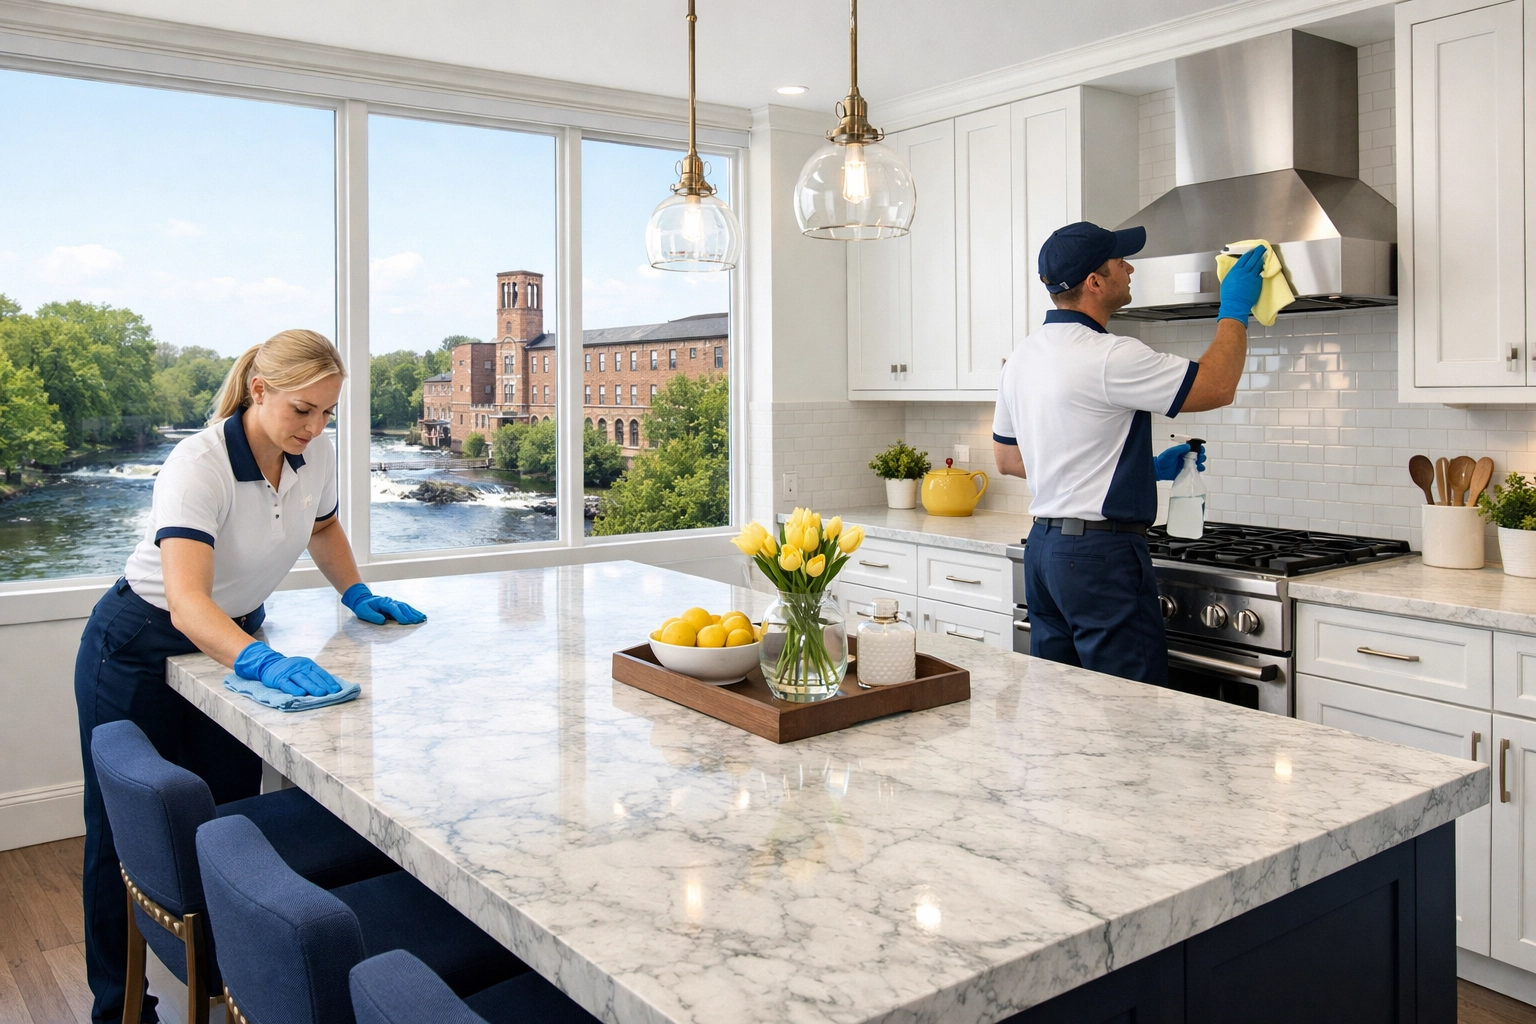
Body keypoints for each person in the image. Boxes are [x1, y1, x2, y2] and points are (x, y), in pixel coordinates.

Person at [73, 329, 426, 1024]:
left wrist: (354, 592)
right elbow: (186, 602)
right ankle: (119, 1008)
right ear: (259, 391)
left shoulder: (313, 453)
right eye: (303, 409)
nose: (316, 426)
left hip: (228, 638)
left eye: (328, 412)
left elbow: (322, 529)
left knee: (227, 829)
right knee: (125, 839)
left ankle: (231, 988)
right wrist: (260, 659)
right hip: (138, 643)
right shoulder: (197, 464)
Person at [992, 221, 1264, 686]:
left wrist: (1134, 470)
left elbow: (1009, 461)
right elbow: (1218, 386)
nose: (1131, 268)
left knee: (1061, 706)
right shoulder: (1110, 355)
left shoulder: (1022, 358)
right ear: (1095, 282)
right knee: (1128, 712)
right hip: (1100, 557)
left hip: (1044, 553)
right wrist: (1235, 308)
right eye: (1121, 262)